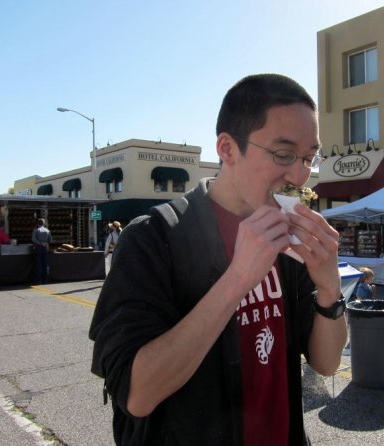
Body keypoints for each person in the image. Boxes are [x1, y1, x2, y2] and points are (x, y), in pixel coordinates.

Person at [89, 74, 346, 445]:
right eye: (284, 154)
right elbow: (137, 394)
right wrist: (237, 279)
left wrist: (328, 288)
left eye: (308, 157)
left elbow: (326, 363)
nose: (300, 174)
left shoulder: (288, 242)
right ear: (227, 149)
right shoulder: (152, 238)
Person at [32, 218, 52, 285]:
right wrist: (45, 243)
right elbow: (50, 240)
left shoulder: (36, 230)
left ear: (37, 223)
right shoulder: (47, 230)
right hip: (45, 248)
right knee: (44, 264)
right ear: (44, 223)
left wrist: (40, 243)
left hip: (38, 248)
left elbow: (33, 239)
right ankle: (45, 280)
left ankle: (38, 280)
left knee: (38, 264)